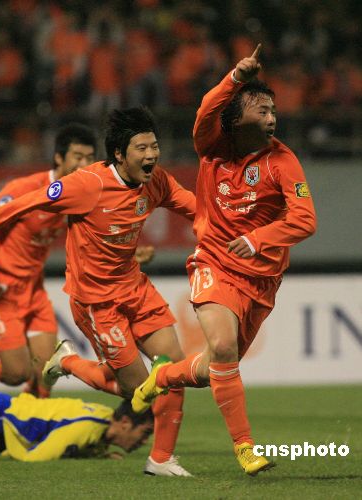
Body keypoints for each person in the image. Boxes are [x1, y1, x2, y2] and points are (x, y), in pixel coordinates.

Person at [0, 107, 196, 477]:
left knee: (174, 370)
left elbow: (196, 209)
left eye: (154, 146)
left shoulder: (157, 181)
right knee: (137, 389)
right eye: (142, 148)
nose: (152, 154)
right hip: (96, 301)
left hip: (135, 288)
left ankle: (161, 459)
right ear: (119, 154)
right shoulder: (86, 184)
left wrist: (237, 230)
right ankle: (67, 362)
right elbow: (32, 200)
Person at [131, 44, 317, 476]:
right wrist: (236, 77)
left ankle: (163, 377)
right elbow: (204, 112)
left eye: (273, 110)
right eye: (261, 109)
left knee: (214, 367)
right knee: (222, 346)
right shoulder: (211, 146)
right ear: (236, 118)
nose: (271, 117)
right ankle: (245, 448)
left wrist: (258, 239)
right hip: (213, 263)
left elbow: (305, 219)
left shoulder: (283, 161)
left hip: (262, 280)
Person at [0, 123, 97, 398]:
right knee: (16, 374)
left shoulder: (79, 197)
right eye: (78, 157)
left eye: (90, 158)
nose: (84, 164)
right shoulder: (26, 188)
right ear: (59, 158)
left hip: (34, 290)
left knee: (46, 372)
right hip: (2, 289)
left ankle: (31, 419)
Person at [0, 391, 153, 461]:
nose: (145, 441)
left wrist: (98, 456)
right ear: (125, 422)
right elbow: (36, 458)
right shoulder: (86, 427)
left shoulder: (103, 418)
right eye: (145, 433)